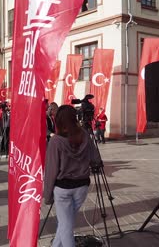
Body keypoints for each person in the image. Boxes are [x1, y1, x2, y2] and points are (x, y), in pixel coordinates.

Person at [44, 105, 102, 247]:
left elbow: (51, 170)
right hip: (81, 186)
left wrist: (47, 195)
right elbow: (96, 160)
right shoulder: (85, 135)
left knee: (65, 225)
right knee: (66, 223)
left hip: (63, 188)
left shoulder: (56, 141)